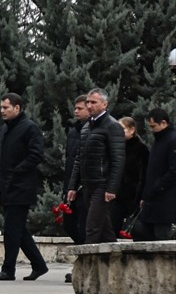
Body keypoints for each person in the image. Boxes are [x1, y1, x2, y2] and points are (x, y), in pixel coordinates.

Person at [0, 93, 50, 281]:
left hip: (22, 186)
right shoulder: (4, 129)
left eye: (6, 107)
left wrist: (16, 171)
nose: (2, 110)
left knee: (12, 229)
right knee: (18, 229)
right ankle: (39, 264)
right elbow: (0, 158)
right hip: (7, 186)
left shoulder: (29, 128)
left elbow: (36, 155)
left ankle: (8, 269)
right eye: (1, 107)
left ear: (17, 108)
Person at [67, 87, 125, 244]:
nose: (89, 105)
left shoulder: (112, 126)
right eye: (88, 102)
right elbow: (79, 158)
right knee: (104, 229)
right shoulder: (86, 127)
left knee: (91, 226)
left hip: (102, 184)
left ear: (104, 104)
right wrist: (72, 186)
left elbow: (118, 160)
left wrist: (112, 188)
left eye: (94, 102)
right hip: (87, 184)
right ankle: (115, 263)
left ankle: (88, 266)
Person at [137, 108, 176, 240]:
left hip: (165, 200)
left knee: (161, 238)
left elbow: (173, 171)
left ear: (164, 123)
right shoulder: (159, 140)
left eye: (153, 126)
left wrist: (157, 187)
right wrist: (145, 195)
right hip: (152, 199)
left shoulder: (172, 140)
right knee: (144, 235)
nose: (152, 130)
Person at [114, 116, 149, 234]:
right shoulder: (117, 148)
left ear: (132, 129)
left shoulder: (140, 149)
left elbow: (143, 175)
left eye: (122, 129)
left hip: (133, 195)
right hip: (117, 195)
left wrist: (139, 196)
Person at [63, 95, 91, 244]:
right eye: (75, 108)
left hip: (84, 186)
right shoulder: (74, 131)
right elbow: (70, 160)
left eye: (80, 108)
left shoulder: (92, 130)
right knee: (68, 224)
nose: (76, 111)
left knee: (83, 224)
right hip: (71, 184)